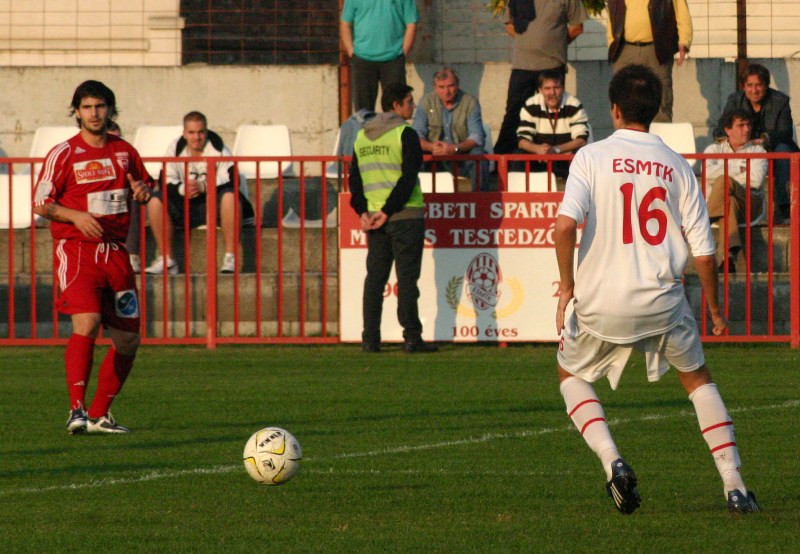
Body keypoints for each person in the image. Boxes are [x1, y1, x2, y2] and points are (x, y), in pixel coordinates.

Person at [554, 65, 759, 514]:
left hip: (600, 300)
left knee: (571, 375)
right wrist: (716, 311)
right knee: (697, 379)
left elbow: (565, 225)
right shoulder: (677, 165)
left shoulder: (590, 156)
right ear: (655, 111)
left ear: (614, 108)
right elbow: (704, 254)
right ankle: (735, 484)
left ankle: (613, 461)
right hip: (663, 300)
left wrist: (567, 287)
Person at [32, 80, 154, 434]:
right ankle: (76, 411)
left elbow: (144, 188)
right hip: (78, 252)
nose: (94, 113)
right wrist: (76, 216)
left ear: (110, 110)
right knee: (86, 322)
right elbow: (42, 203)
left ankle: (100, 413)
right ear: (76, 112)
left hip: (116, 254)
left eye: (100, 106)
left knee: (129, 339)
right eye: (87, 107)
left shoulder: (125, 151)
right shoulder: (64, 153)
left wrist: (144, 192)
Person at [348, 82, 438, 354]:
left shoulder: (362, 136)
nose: (413, 106)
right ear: (397, 105)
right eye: (409, 102)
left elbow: (354, 181)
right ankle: (412, 337)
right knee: (407, 280)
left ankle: (370, 339)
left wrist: (365, 212)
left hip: (374, 219)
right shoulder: (405, 133)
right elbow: (408, 177)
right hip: (404, 214)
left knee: (375, 280)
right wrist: (388, 210)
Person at [145, 111, 254, 275]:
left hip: (213, 207)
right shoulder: (174, 149)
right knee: (155, 201)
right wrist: (182, 189)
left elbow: (232, 179)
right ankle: (167, 260)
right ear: (184, 133)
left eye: (201, 132)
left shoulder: (219, 148)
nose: (196, 137)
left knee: (230, 196)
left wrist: (204, 186)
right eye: (191, 132)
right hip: (184, 206)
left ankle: (231, 258)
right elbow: (164, 180)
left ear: (206, 131)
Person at [494, 0, 586, 154]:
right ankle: (503, 160)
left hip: (552, 63)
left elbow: (577, 28)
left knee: (555, 112)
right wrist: (526, 41)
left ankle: (556, 159)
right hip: (523, 64)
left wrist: (556, 43)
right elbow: (509, 25)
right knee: (514, 112)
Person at [715, 63, 797, 223]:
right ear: (743, 86)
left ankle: (785, 207)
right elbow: (719, 130)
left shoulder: (780, 101)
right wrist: (738, 139)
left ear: (766, 85)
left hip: (774, 153)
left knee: (783, 149)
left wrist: (763, 140)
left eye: (759, 85)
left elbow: (786, 133)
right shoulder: (734, 100)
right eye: (749, 85)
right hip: (745, 152)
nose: (754, 90)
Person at [606, 0, 693, 122]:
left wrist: (684, 41)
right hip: (624, 49)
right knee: (621, 96)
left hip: (658, 48)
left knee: (661, 96)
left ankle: (661, 133)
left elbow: (682, 13)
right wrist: (611, 42)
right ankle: (624, 135)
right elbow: (612, 13)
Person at [704, 109, 767, 273]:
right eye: (741, 125)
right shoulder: (713, 150)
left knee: (724, 181)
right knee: (728, 200)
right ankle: (728, 258)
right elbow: (706, 174)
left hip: (750, 203)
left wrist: (724, 171)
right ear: (727, 130)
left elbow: (755, 179)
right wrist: (739, 169)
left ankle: (704, 219)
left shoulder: (758, 151)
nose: (747, 129)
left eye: (748, 125)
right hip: (727, 202)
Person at [412, 67, 489, 191]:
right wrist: (432, 147)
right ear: (435, 87)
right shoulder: (425, 102)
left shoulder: (470, 102)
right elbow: (416, 135)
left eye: (450, 86)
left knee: (478, 155)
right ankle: (415, 198)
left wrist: (454, 148)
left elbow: (477, 136)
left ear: (457, 85)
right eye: (441, 87)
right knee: (413, 152)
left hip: (462, 156)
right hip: (434, 156)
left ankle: (480, 200)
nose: (446, 91)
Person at [340, 0, 419, 112]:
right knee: (363, 110)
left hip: (393, 59)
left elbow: (412, 23)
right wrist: (351, 51)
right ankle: (366, 130)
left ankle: (394, 129)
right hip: (362, 59)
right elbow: (345, 23)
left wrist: (403, 51)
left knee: (396, 107)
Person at [515, 69, 589, 184]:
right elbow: (522, 141)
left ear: (563, 88)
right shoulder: (530, 105)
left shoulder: (574, 104)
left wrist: (555, 150)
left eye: (556, 88)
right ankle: (517, 197)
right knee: (518, 156)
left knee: (581, 154)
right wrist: (538, 149)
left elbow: (581, 140)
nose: (552, 93)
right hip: (539, 158)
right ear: (540, 90)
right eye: (547, 88)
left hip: (565, 157)